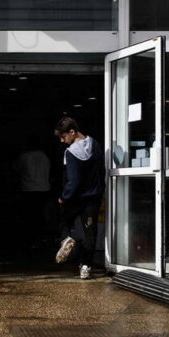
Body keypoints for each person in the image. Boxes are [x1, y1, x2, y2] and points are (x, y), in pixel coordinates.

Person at [53, 117, 105, 280]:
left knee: (64, 220)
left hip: (76, 197)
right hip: (94, 196)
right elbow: (101, 170)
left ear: (72, 132)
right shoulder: (95, 144)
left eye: (63, 136)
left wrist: (64, 196)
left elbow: (73, 180)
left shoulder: (71, 152)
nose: (62, 141)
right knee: (90, 231)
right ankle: (86, 266)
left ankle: (68, 238)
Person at [13, 135, 51, 257]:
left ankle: (29, 241)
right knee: (40, 215)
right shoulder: (45, 157)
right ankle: (41, 239)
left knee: (28, 217)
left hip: (28, 190)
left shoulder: (24, 157)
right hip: (44, 189)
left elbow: (16, 170)